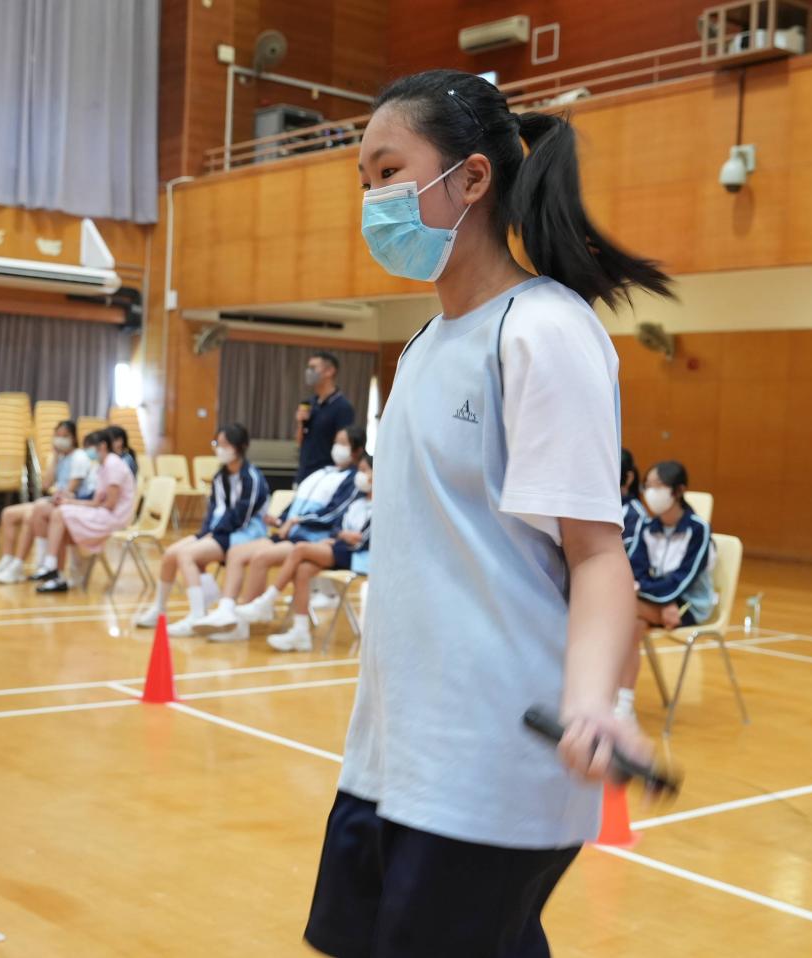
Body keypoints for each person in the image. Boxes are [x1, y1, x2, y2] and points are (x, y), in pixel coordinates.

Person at [303, 70, 671, 958]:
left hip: (491, 759)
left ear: (471, 178)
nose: (373, 199)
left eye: (389, 172)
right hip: (390, 750)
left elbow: (597, 554)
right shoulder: (424, 345)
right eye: (364, 180)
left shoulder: (543, 331)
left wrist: (594, 700)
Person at [193, 426, 365, 639]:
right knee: (235, 553)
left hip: (310, 537)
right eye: (336, 442)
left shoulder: (352, 480)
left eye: (343, 443)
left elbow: (332, 514)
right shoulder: (322, 472)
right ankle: (226, 610)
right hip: (288, 533)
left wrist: (296, 521)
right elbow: (297, 503)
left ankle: (243, 624)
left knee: (260, 557)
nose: (337, 447)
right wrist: (280, 519)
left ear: (356, 450)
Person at [134, 423, 270, 636]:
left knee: (186, 555)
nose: (220, 449)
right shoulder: (220, 477)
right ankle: (159, 609)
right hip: (217, 531)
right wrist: (206, 532)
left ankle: (196, 616)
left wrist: (213, 535)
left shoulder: (252, 477)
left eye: (225, 445)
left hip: (242, 534)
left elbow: (241, 516)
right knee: (170, 555)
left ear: (240, 446)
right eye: (217, 443)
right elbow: (214, 509)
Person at [617, 461, 715, 719]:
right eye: (647, 486)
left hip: (689, 604)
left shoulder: (698, 530)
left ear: (678, 490)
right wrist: (661, 602)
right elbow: (636, 570)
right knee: (632, 623)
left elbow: (683, 579)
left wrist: (654, 595)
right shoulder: (647, 526)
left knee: (622, 606)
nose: (651, 492)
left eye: (658, 486)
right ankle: (624, 706)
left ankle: (612, 700)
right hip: (657, 603)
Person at [265, 453, 373, 653]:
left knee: (301, 548)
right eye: (360, 470)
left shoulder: (380, 506)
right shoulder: (355, 502)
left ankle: (269, 597)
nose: (360, 475)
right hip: (341, 549)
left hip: (359, 558)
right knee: (302, 570)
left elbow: (362, 540)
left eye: (365, 470)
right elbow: (336, 528)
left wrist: (338, 540)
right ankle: (301, 633)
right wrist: (341, 536)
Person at [0, 420, 92, 583]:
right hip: (53, 501)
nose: (60, 439)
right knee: (8, 514)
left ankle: (20, 565)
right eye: (57, 435)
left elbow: (69, 492)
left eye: (65, 436)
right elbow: (46, 485)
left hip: (70, 504)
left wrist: (55, 498)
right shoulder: (61, 458)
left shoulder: (79, 457)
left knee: (32, 515)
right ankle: (7, 560)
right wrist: (55, 458)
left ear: (73, 438)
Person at [34, 430, 136, 593]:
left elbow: (109, 504)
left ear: (102, 446)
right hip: (104, 512)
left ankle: (50, 565)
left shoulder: (113, 465)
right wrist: (69, 502)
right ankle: (58, 576)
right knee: (61, 515)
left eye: (89, 447)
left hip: (115, 518)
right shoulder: (103, 466)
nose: (87, 452)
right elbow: (96, 502)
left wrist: (74, 505)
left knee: (60, 514)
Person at [294, 351, 355, 485]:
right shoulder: (309, 403)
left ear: (329, 371)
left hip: (326, 478)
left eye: (313, 368)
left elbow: (344, 447)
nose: (309, 372)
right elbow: (299, 442)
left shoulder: (343, 407)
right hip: (303, 474)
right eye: (308, 367)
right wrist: (300, 423)